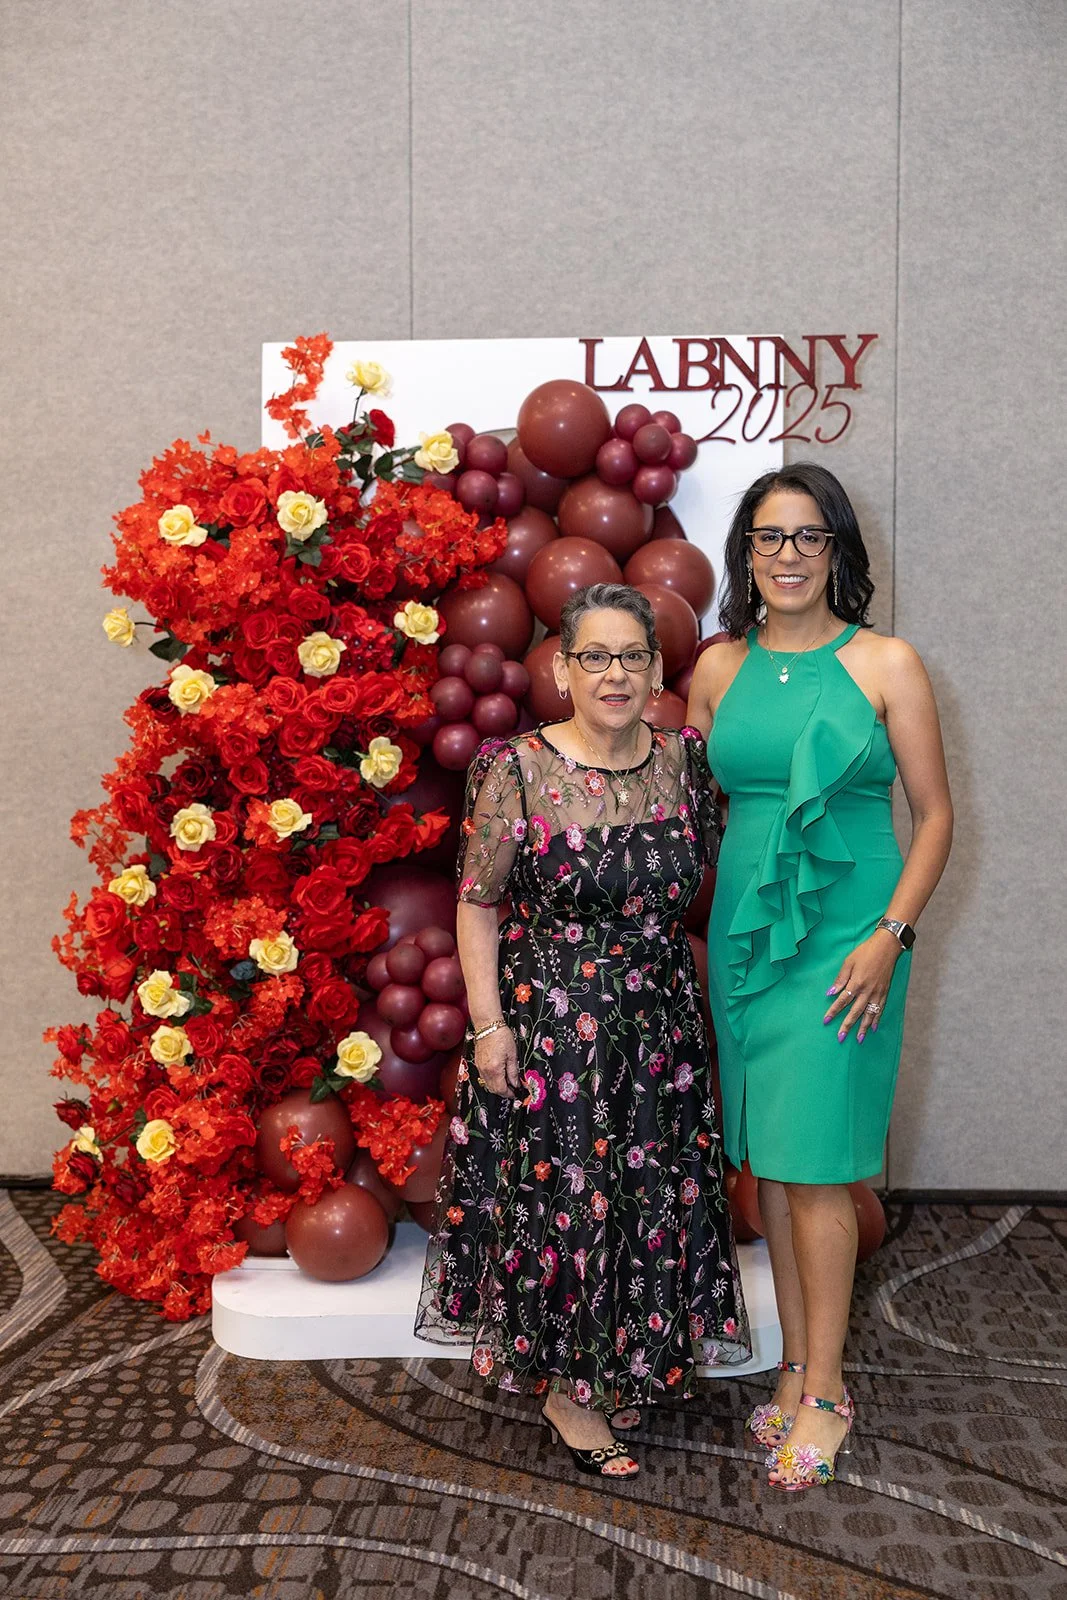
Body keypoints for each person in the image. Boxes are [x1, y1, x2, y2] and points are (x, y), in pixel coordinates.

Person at [416, 582, 750, 1478]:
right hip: (557, 1027)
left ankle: (628, 1356)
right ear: (562, 670)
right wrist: (489, 1029)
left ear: (655, 670)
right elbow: (477, 907)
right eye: (594, 657)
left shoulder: (686, 760)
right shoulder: (515, 768)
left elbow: (730, 873)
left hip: (661, 1025)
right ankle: (569, 1390)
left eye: (632, 657)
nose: (614, 674)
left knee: (648, 1197)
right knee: (568, 1202)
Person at [687, 463, 953, 1491]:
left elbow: (933, 818)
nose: (787, 554)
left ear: (836, 550)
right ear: (744, 554)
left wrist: (889, 935)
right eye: (767, 536)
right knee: (771, 1164)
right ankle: (795, 1366)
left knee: (814, 1159)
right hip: (750, 939)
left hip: (849, 939)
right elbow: (676, 800)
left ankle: (828, 1394)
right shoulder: (717, 669)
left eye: (807, 536)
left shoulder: (886, 662)